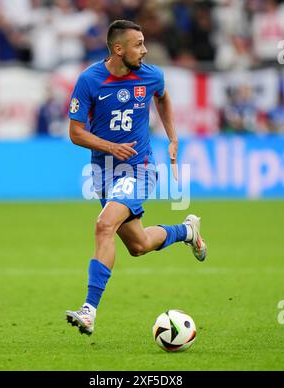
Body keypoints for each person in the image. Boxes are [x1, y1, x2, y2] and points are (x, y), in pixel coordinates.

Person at [66, 20, 207, 336]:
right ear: (118, 49)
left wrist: (172, 137)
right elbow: (75, 133)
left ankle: (88, 310)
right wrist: (110, 146)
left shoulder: (151, 75)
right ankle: (186, 231)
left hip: (140, 169)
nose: (144, 51)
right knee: (139, 245)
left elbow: (163, 97)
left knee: (104, 225)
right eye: (138, 44)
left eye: (144, 43)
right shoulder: (89, 81)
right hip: (104, 173)